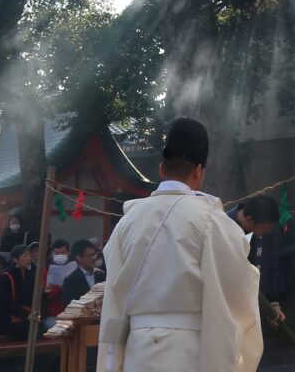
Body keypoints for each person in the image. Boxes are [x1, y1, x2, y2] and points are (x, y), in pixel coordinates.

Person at [97, 117, 263, 372]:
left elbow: (114, 305)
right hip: (187, 354)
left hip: (137, 353)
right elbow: (234, 301)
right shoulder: (213, 223)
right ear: (199, 171)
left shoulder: (126, 224)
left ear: (162, 169)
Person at [226, 195, 286, 321]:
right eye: (266, 228)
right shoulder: (222, 227)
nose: (268, 232)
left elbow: (271, 265)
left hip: (259, 309)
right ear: (249, 220)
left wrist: (273, 304)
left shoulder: (264, 230)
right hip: (230, 311)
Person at [0, 244, 39, 340]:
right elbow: (5, 302)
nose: (28, 258)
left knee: (40, 328)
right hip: (7, 317)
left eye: (29, 256)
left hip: (27, 315)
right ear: (15, 259)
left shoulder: (31, 276)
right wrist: (25, 314)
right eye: (25, 256)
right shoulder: (5, 277)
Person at [62, 239, 105, 308]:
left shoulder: (102, 275)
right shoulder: (70, 280)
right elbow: (69, 306)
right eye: (90, 255)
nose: (94, 258)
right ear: (79, 258)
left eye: (94, 254)